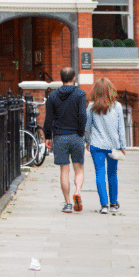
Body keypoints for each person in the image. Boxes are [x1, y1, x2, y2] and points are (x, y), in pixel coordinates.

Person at [43, 66, 88, 213]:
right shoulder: (80, 94)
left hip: (60, 137)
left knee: (64, 170)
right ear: (74, 78)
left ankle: (68, 203)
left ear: (61, 78)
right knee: (79, 169)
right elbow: (82, 115)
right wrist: (81, 132)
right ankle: (78, 192)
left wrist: (48, 136)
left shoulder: (53, 96)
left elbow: (48, 119)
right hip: (76, 135)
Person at [85, 77, 127, 214]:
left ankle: (104, 205)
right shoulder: (118, 106)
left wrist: (87, 141)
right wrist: (123, 146)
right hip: (113, 146)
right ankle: (114, 203)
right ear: (111, 90)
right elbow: (121, 128)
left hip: (96, 145)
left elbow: (87, 127)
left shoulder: (91, 107)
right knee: (112, 174)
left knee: (99, 174)